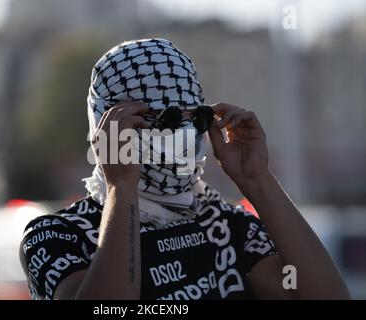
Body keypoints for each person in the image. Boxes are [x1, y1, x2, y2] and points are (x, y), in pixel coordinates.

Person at [19, 38, 350, 300]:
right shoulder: (59, 236)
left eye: (198, 119)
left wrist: (258, 181)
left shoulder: (225, 227)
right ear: (109, 127)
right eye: (169, 121)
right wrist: (122, 186)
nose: (186, 135)